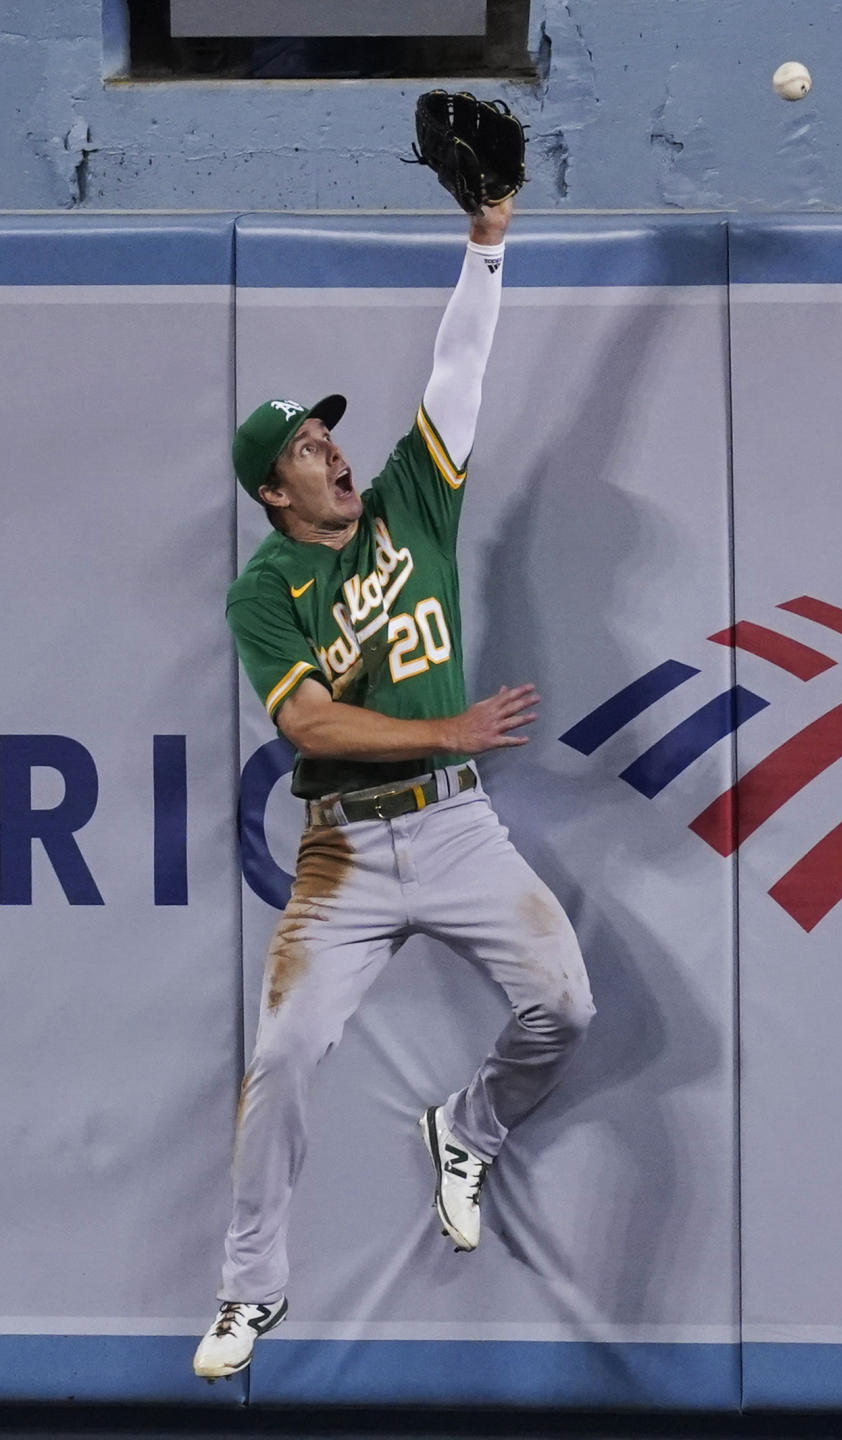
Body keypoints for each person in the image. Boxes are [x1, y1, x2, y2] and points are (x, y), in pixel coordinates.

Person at [193, 197, 595, 1382]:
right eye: (308, 449)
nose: (332, 450)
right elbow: (310, 719)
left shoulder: (413, 504)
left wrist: (486, 245)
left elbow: (459, 365)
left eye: (330, 436)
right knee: (285, 1058)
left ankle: (463, 1132)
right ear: (275, 492)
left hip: (458, 825)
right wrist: (446, 721)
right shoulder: (264, 592)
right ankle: (248, 1292)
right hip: (343, 855)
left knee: (564, 1009)